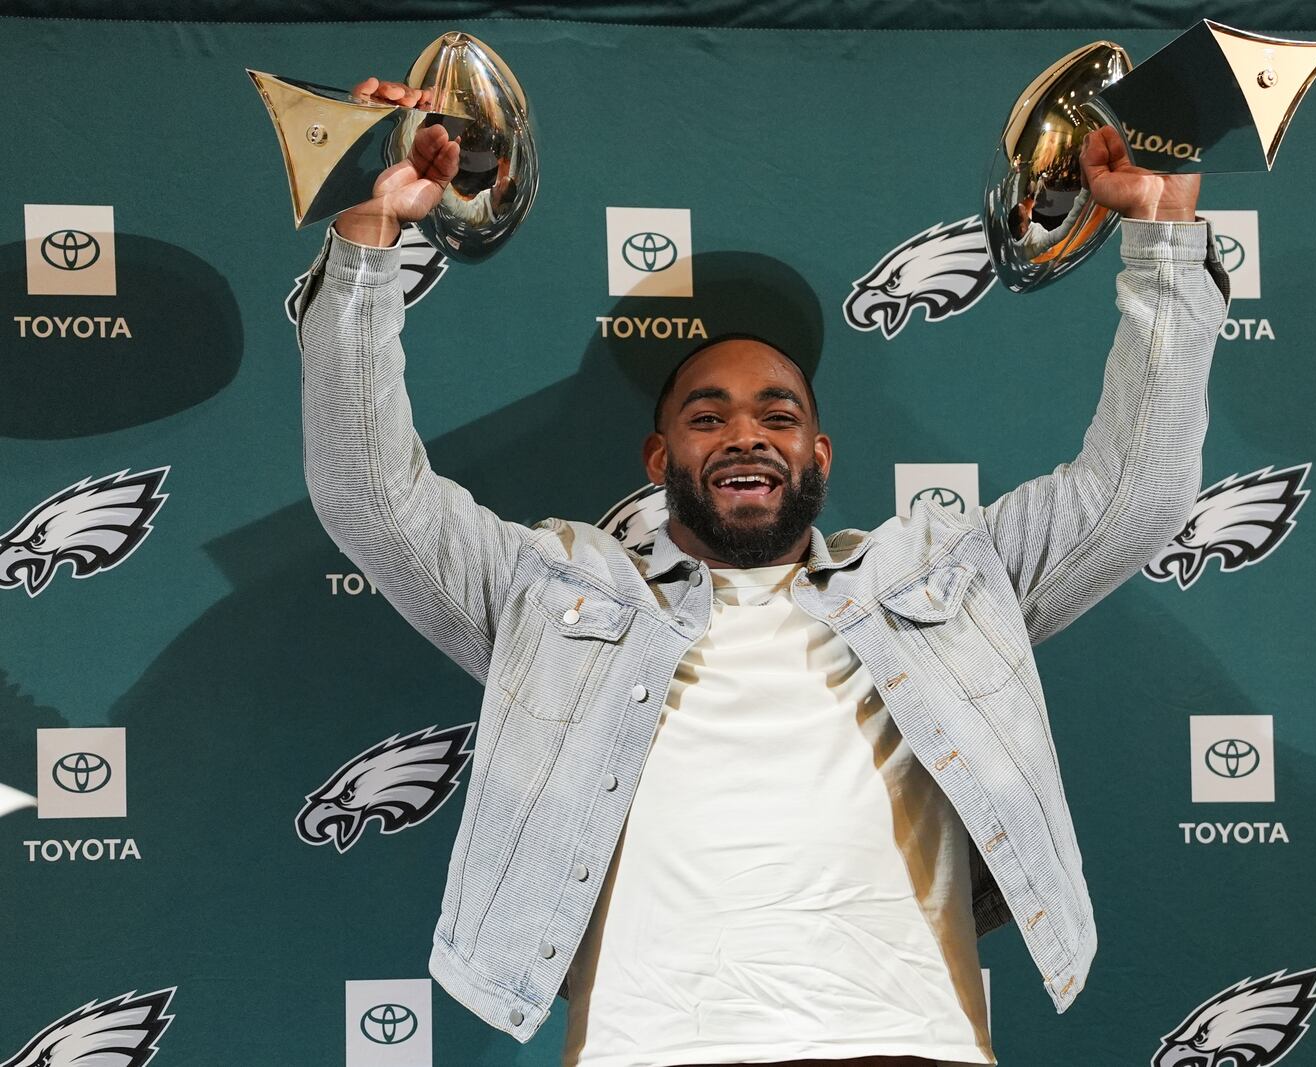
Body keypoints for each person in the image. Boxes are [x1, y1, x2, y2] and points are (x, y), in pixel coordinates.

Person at [296, 78, 1227, 1067]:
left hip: (899, 1047)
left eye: (779, 414)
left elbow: (1137, 491)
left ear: (820, 455)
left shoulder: (943, 582)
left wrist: (1165, 237)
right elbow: (370, 495)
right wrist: (366, 239)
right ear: (660, 464)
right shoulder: (554, 593)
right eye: (707, 415)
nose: (747, 431)